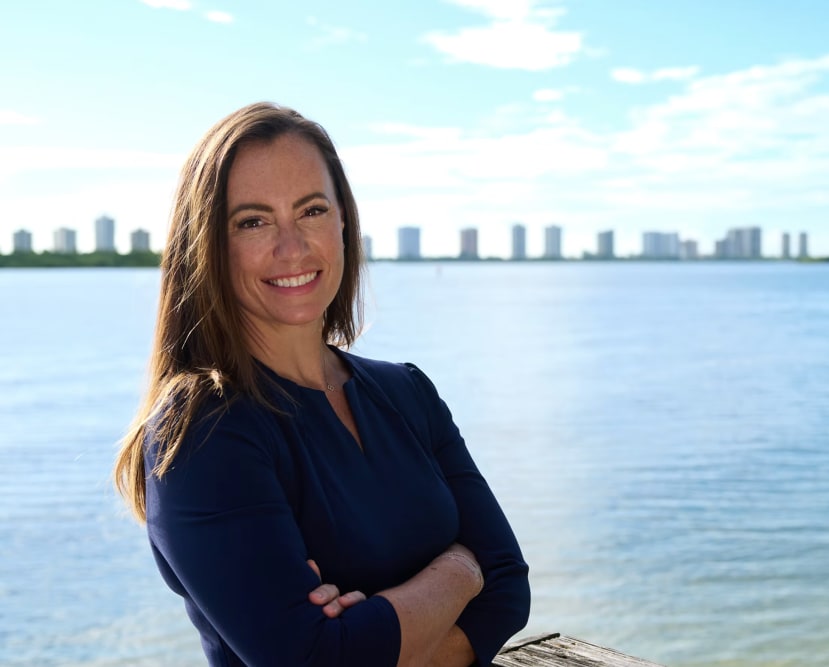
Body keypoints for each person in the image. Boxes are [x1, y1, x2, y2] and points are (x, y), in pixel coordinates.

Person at [114, 102, 530, 666]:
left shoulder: (409, 393)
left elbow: (508, 585)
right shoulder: (202, 432)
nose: (293, 247)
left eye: (311, 210)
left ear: (343, 222)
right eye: (253, 221)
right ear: (208, 245)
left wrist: (375, 634)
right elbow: (316, 660)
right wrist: (459, 569)